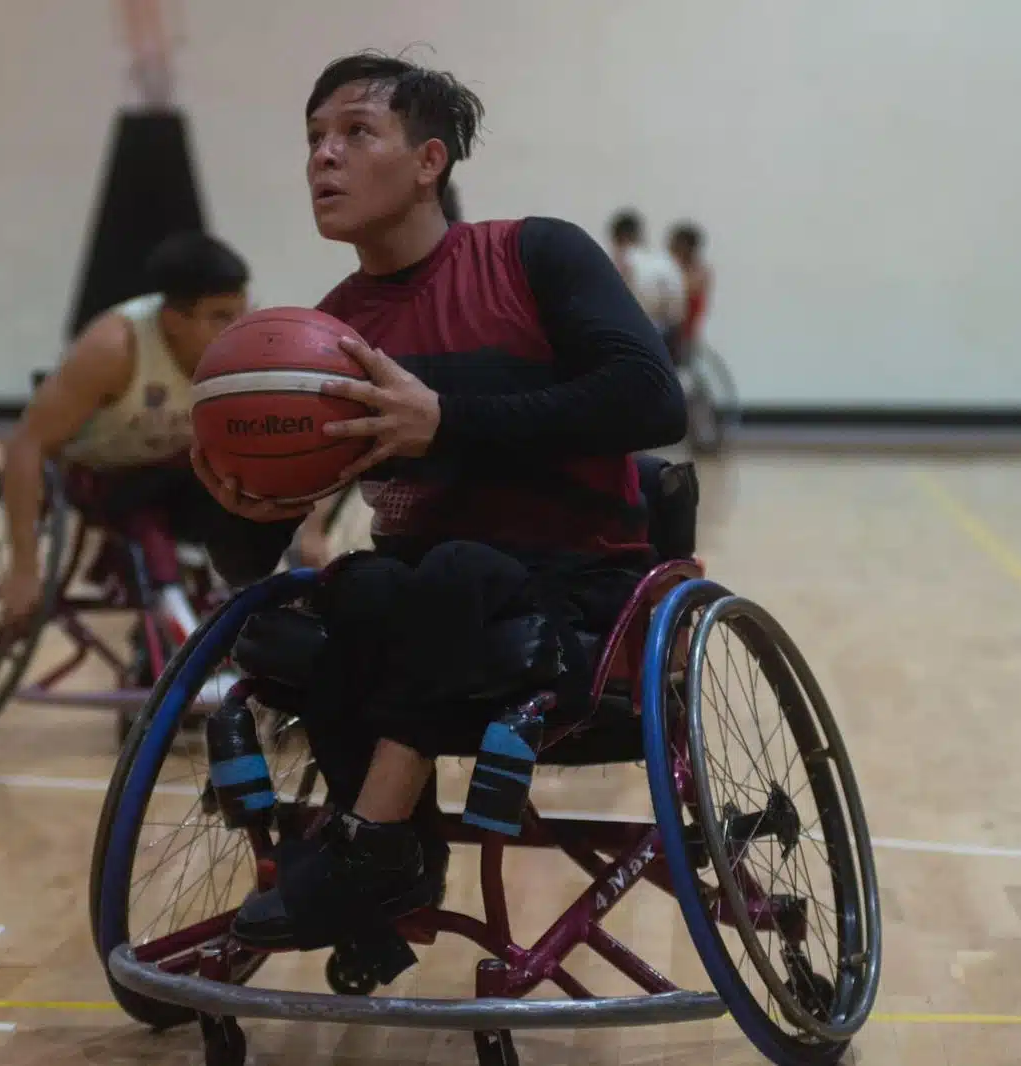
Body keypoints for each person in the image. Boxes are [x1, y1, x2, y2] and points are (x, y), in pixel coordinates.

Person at [192, 51, 687, 952]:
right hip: (422, 596)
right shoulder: (327, 332)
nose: (323, 159)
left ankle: (363, 849)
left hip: (579, 592)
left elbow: (653, 400)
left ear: (429, 161)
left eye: (355, 133)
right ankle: (394, 857)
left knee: (449, 573)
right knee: (356, 589)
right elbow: (240, 562)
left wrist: (447, 420)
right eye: (313, 139)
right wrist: (238, 505)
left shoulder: (534, 254)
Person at [0, 231, 251, 626]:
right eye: (220, 317)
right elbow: (26, 446)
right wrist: (24, 568)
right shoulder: (112, 349)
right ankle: (175, 617)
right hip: (103, 474)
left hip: (183, 471)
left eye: (241, 312)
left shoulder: (251, 344)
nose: (237, 329)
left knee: (250, 491)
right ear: (173, 320)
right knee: (147, 522)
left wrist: (309, 534)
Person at [607, 208, 687, 338]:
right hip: (662, 332)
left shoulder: (622, 260)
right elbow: (677, 311)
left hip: (628, 331)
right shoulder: (666, 261)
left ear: (619, 237)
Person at [666, 221, 713, 365]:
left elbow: (688, 292)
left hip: (684, 336)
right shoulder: (668, 269)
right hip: (669, 332)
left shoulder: (699, 273)